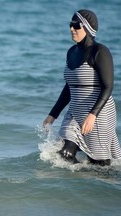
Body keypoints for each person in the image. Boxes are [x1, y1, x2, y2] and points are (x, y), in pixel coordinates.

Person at [43, 9, 121, 166]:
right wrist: (53, 115)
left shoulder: (100, 52)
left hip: (99, 113)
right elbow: (69, 88)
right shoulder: (71, 52)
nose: (72, 29)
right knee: (64, 153)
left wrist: (93, 115)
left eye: (76, 25)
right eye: (70, 25)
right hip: (74, 112)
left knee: (100, 165)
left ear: (87, 28)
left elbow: (108, 87)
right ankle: (69, 188)